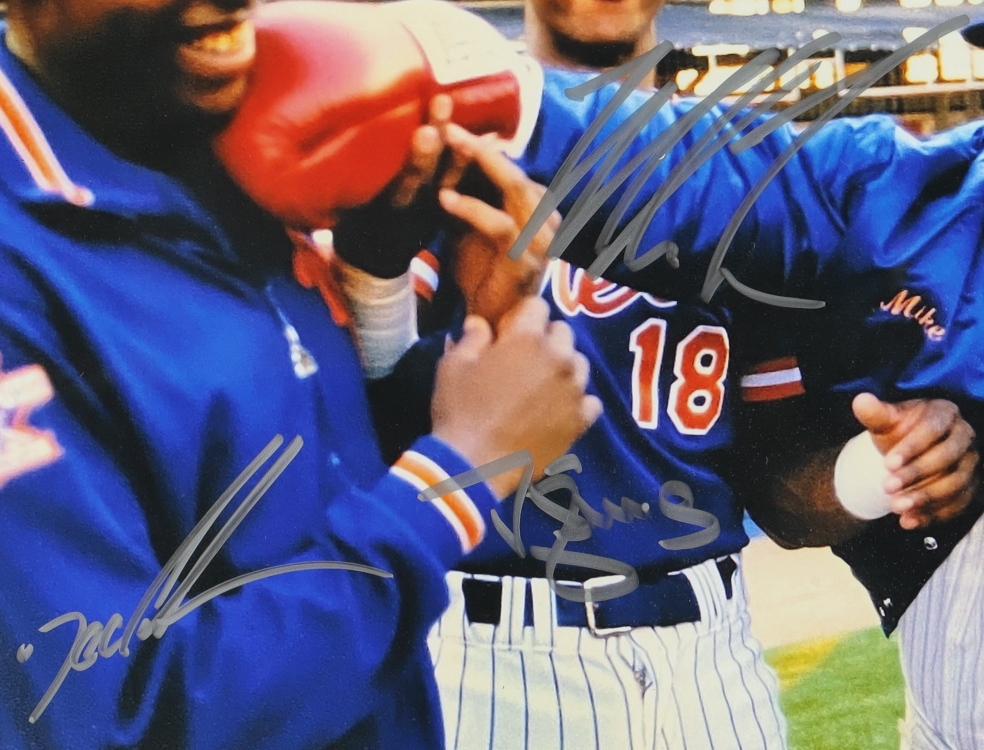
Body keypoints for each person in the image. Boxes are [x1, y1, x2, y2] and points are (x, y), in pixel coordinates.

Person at [0, 1, 601, 748]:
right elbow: (112, 714)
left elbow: (276, 484)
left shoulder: (201, 136)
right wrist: (456, 480)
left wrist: (431, 320)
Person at [404, 10, 984, 750]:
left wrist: (877, 474)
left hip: (708, 647)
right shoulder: (443, 159)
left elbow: (776, 487)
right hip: (485, 637)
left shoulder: (765, 199)